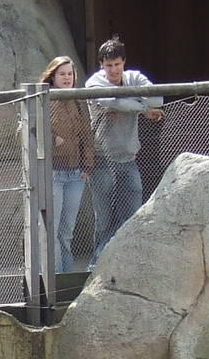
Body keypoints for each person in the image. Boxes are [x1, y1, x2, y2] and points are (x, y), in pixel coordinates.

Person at [85, 35, 164, 264]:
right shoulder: (94, 83)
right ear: (101, 65)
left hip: (128, 158)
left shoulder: (134, 77)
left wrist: (133, 103)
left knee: (131, 215)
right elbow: (113, 102)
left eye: (117, 64)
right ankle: (96, 265)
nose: (113, 70)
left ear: (124, 62)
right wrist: (142, 109)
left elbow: (157, 98)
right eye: (108, 65)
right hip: (102, 159)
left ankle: (126, 263)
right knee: (105, 219)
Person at [42, 55, 95, 275]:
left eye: (70, 74)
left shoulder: (78, 100)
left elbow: (87, 136)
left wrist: (87, 165)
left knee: (67, 231)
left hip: (75, 174)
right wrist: (52, 139)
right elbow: (25, 131)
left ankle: (67, 275)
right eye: (62, 74)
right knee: (51, 229)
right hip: (53, 172)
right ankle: (54, 277)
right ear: (52, 76)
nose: (67, 78)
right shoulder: (43, 99)